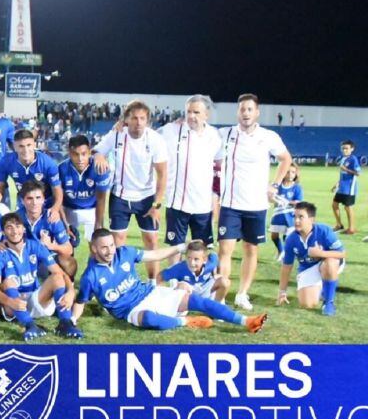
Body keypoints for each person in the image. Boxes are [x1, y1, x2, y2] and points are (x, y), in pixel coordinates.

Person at [75, 229, 268, 332]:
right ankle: (185, 321)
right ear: (93, 248)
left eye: (111, 245)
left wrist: (178, 248)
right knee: (149, 318)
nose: (110, 251)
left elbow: (156, 254)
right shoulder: (90, 277)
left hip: (149, 293)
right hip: (131, 311)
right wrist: (72, 320)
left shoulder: (124, 253)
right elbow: (80, 302)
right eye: (104, 248)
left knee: (198, 301)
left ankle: (247, 321)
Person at [216, 94, 293, 310]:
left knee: (251, 251)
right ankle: (221, 296)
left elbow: (286, 158)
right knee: (225, 250)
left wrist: (275, 185)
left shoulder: (268, 136)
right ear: (237, 112)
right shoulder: (225, 134)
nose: (246, 113)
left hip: (256, 205)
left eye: (250, 109)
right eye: (242, 109)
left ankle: (242, 294)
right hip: (230, 204)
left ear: (257, 112)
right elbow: (200, 132)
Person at [92, 99, 169, 280]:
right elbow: (97, 150)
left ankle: (152, 282)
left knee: (151, 241)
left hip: (146, 199)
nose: (139, 122)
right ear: (126, 119)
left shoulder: (156, 140)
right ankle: (120, 280)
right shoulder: (117, 134)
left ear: (148, 121)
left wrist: (157, 205)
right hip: (120, 197)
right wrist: (99, 156)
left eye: (143, 118)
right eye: (134, 118)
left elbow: (162, 174)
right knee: (117, 242)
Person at [0, 213, 84, 341]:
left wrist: (71, 292)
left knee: (56, 277)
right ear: (3, 232)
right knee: (8, 282)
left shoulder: (34, 246)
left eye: (17, 226)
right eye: (9, 227)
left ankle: (65, 324)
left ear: (23, 229)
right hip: (13, 305)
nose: (14, 231)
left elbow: (60, 273)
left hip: (36, 299)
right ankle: (30, 326)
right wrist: (10, 301)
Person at [158, 95, 224, 262]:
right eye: (188, 112)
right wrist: (122, 123)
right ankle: (174, 285)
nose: (191, 116)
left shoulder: (215, 137)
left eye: (196, 112)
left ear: (206, 115)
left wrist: (216, 196)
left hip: (202, 205)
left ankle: (200, 283)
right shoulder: (171, 130)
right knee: (175, 247)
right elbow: (146, 134)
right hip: (177, 203)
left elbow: (219, 164)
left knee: (202, 247)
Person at [277, 202, 346, 316]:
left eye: (301, 217)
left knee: (329, 262)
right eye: (295, 217)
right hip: (307, 268)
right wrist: (282, 292)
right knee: (307, 304)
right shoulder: (291, 239)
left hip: (329, 262)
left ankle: (328, 302)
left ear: (311, 219)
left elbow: (342, 254)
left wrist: (320, 253)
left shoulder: (324, 231)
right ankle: (323, 285)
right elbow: (286, 267)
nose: (297, 221)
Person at [0, 129, 63, 217]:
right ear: (15, 147)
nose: (26, 150)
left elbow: (57, 190)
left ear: (34, 144)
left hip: (45, 203)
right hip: (23, 202)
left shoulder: (48, 163)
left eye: (28, 145)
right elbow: (0, 187)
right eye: (21, 146)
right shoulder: (6, 161)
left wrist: (55, 209)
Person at [16, 180, 77, 279]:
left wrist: (51, 245)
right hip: (24, 258)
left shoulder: (51, 218)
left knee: (69, 263)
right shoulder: (16, 218)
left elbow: (69, 249)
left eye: (38, 198)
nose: (34, 202)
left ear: (43, 199)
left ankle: (64, 287)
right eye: (29, 198)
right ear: (22, 201)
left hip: (47, 258)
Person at [58, 134, 111, 245]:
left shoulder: (99, 167)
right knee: (66, 248)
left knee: (97, 247)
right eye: (75, 154)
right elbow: (58, 199)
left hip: (92, 209)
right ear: (69, 152)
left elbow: (101, 199)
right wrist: (64, 222)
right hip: (69, 209)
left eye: (83, 154)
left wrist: (98, 223)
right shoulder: (61, 169)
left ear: (89, 151)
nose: (80, 159)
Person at [158, 239, 229, 302]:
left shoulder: (210, 262)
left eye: (196, 259)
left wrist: (215, 274)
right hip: (189, 291)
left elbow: (214, 257)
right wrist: (160, 295)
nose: (192, 263)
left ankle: (216, 307)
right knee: (182, 286)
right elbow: (160, 276)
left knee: (224, 282)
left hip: (206, 288)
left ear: (204, 259)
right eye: (189, 258)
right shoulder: (180, 268)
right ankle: (180, 313)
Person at [269, 164, 303, 260]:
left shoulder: (297, 187)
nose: (290, 174)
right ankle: (280, 250)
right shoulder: (278, 186)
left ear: (296, 174)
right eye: (287, 172)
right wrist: (274, 199)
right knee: (274, 235)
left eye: (293, 172)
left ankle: (287, 254)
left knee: (287, 236)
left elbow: (298, 202)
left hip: (290, 216)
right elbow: (271, 198)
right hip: (278, 215)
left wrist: (287, 202)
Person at [331, 139, 360, 234]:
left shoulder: (353, 159)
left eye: (347, 148)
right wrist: (337, 184)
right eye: (343, 148)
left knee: (348, 207)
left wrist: (346, 169)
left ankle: (351, 228)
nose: (344, 150)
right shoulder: (343, 159)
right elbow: (342, 175)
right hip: (342, 187)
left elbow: (358, 173)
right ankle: (339, 225)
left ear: (352, 149)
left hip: (349, 188)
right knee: (334, 205)